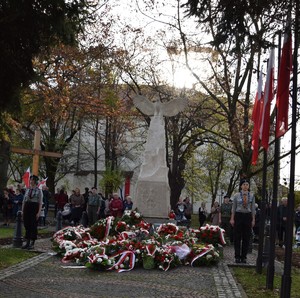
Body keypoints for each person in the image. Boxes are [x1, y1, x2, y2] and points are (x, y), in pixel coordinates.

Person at [230, 179, 255, 264]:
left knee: (246, 237)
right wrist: (232, 218)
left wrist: (253, 219)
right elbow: (233, 208)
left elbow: (253, 209)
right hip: (238, 215)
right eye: (244, 184)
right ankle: (237, 256)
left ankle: (244, 257)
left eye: (247, 184)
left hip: (247, 216)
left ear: (248, 186)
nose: (245, 186)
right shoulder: (236, 195)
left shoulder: (251, 195)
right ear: (241, 186)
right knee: (237, 237)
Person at [21, 175, 43, 249]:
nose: (31, 181)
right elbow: (24, 201)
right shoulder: (27, 189)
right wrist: (22, 210)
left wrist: (38, 212)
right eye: (30, 180)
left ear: (35, 181)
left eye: (32, 180)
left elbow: (40, 202)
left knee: (33, 225)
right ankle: (27, 241)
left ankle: (32, 243)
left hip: (34, 207)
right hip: (27, 206)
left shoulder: (39, 191)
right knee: (27, 224)